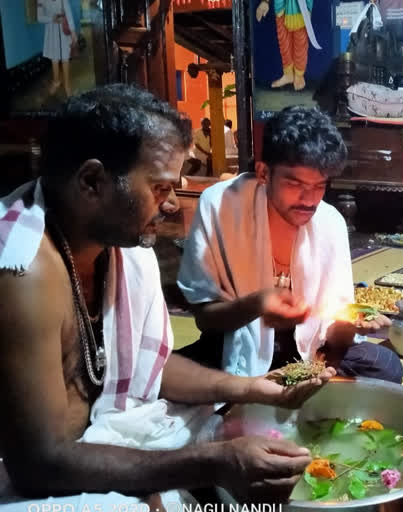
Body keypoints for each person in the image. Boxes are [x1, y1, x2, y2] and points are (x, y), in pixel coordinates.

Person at [0, 85, 333, 511]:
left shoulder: (118, 250)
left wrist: (254, 388)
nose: (173, 205)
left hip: (103, 427)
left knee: (229, 425)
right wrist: (210, 464)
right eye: (159, 188)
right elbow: (39, 464)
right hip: (30, 475)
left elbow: (147, 362)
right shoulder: (24, 273)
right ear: (91, 182)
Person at [177, 106, 403, 383]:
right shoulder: (219, 205)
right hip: (232, 345)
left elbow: (331, 335)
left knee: (386, 365)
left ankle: (283, 386)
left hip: (308, 353)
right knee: (162, 377)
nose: (309, 199)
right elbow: (205, 318)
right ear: (263, 173)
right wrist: (258, 304)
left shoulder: (330, 222)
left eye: (320, 185)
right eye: (294, 183)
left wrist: (349, 324)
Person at [255, 0, 322, 91]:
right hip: (281, 5)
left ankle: (299, 75)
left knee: (300, 42)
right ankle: (288, 75)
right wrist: (265, 2)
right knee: (284, 41)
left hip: (302, 7)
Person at [38, 0, 77, 97]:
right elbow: (39, 18)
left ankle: (67, 85)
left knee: (65, 57)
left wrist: (73, 32)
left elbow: (69, 14)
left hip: (63, 29)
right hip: (51, 30)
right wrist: (52, 19)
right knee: (54, 57)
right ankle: (56, 81)